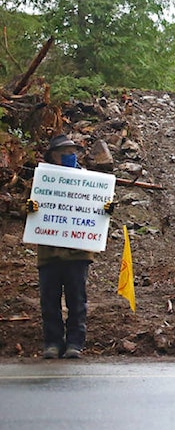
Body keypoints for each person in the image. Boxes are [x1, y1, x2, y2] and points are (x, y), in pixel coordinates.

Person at [26, 134, 115, 359]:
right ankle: (53, 343)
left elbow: (99, 209)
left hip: (78, 252)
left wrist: (106, 208)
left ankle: (75, 342)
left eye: (72, 152)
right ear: (53, 156)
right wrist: (29, 208)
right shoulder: (43, 181)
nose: (69, 156)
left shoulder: (87, 182)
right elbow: (26, 210)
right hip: (49, 253)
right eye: (64, 153)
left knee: (77, 300)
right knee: (49, 301)